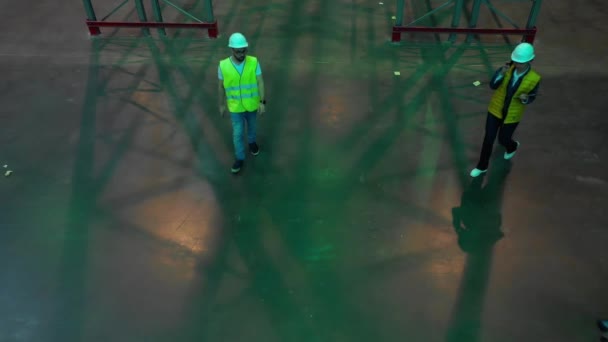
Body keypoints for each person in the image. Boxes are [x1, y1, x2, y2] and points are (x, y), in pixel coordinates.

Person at [470, 42, 541, 177]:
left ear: (530, 60)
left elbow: (531, 98)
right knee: (488, 139)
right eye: (515, 61)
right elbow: (492, 85)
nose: (517, 64)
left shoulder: (534, 78)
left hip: (512, 115)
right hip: (495, 110)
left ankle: (512, 146)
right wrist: (501, 74)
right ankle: (482, 166)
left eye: (521, 62)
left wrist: (525, 98)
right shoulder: (506, 69)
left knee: (503, 139)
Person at [218, 32, 266, 174]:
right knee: (237, 133)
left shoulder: (254, 62)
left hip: (251, 104)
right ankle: (239, 157)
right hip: (235, 108)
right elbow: (220, 86)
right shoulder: (223, 66)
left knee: (252, 127)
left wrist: (262, 102)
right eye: (238, 51)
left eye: (243, 50)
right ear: (231, 49)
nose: (241, 53)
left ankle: (252, 143)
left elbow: (260, 82)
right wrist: (221, 104)